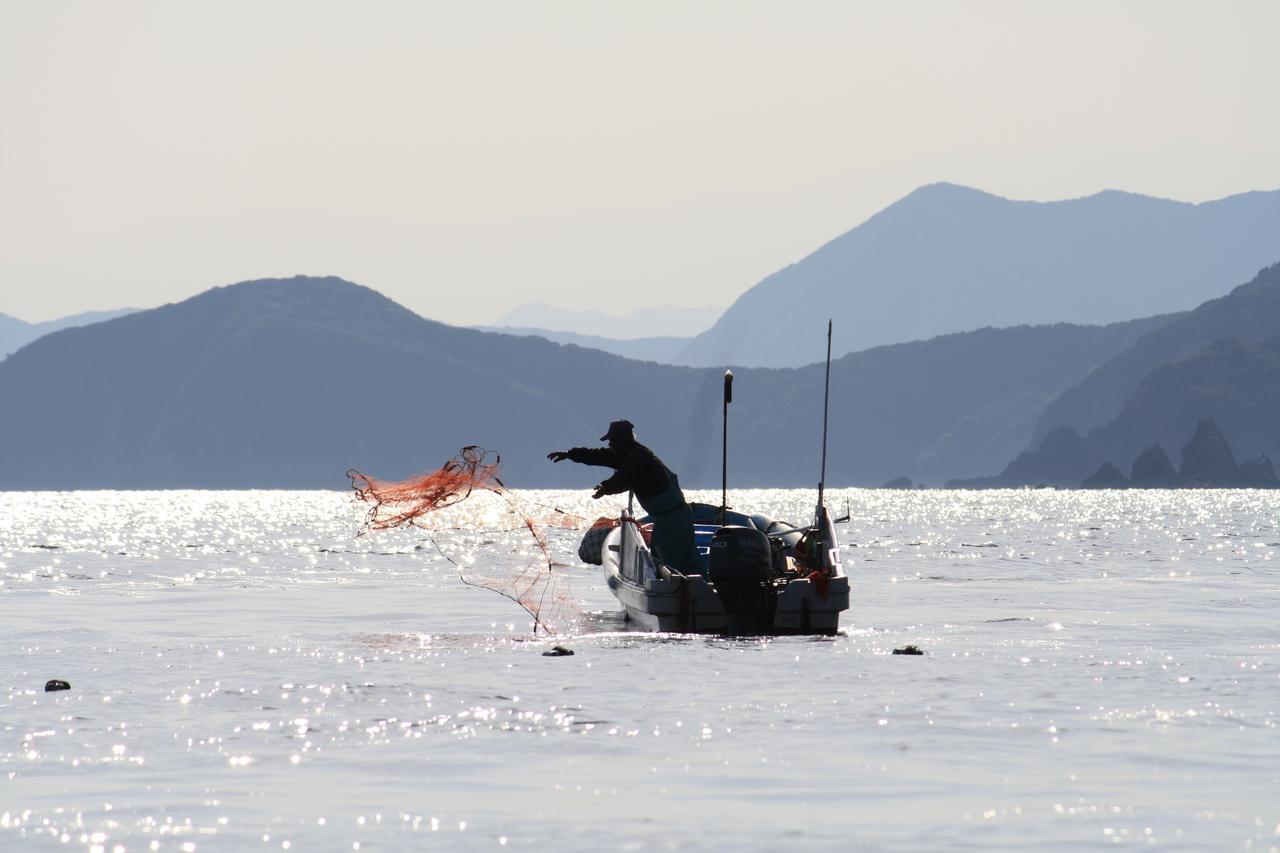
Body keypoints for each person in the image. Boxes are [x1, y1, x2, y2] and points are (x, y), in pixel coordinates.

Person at [548, 420, 705, 575]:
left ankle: (684, 596)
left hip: (672, 521)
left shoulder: (639, 456)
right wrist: (569, 454)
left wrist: (606, 488)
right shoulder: (624, 454)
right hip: (677, 516)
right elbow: (597, 455)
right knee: (690, 562)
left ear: (624, 439)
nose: (610, 444)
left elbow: (627, 476)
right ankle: (707, 593)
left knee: (668, 568)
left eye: (612, 440)